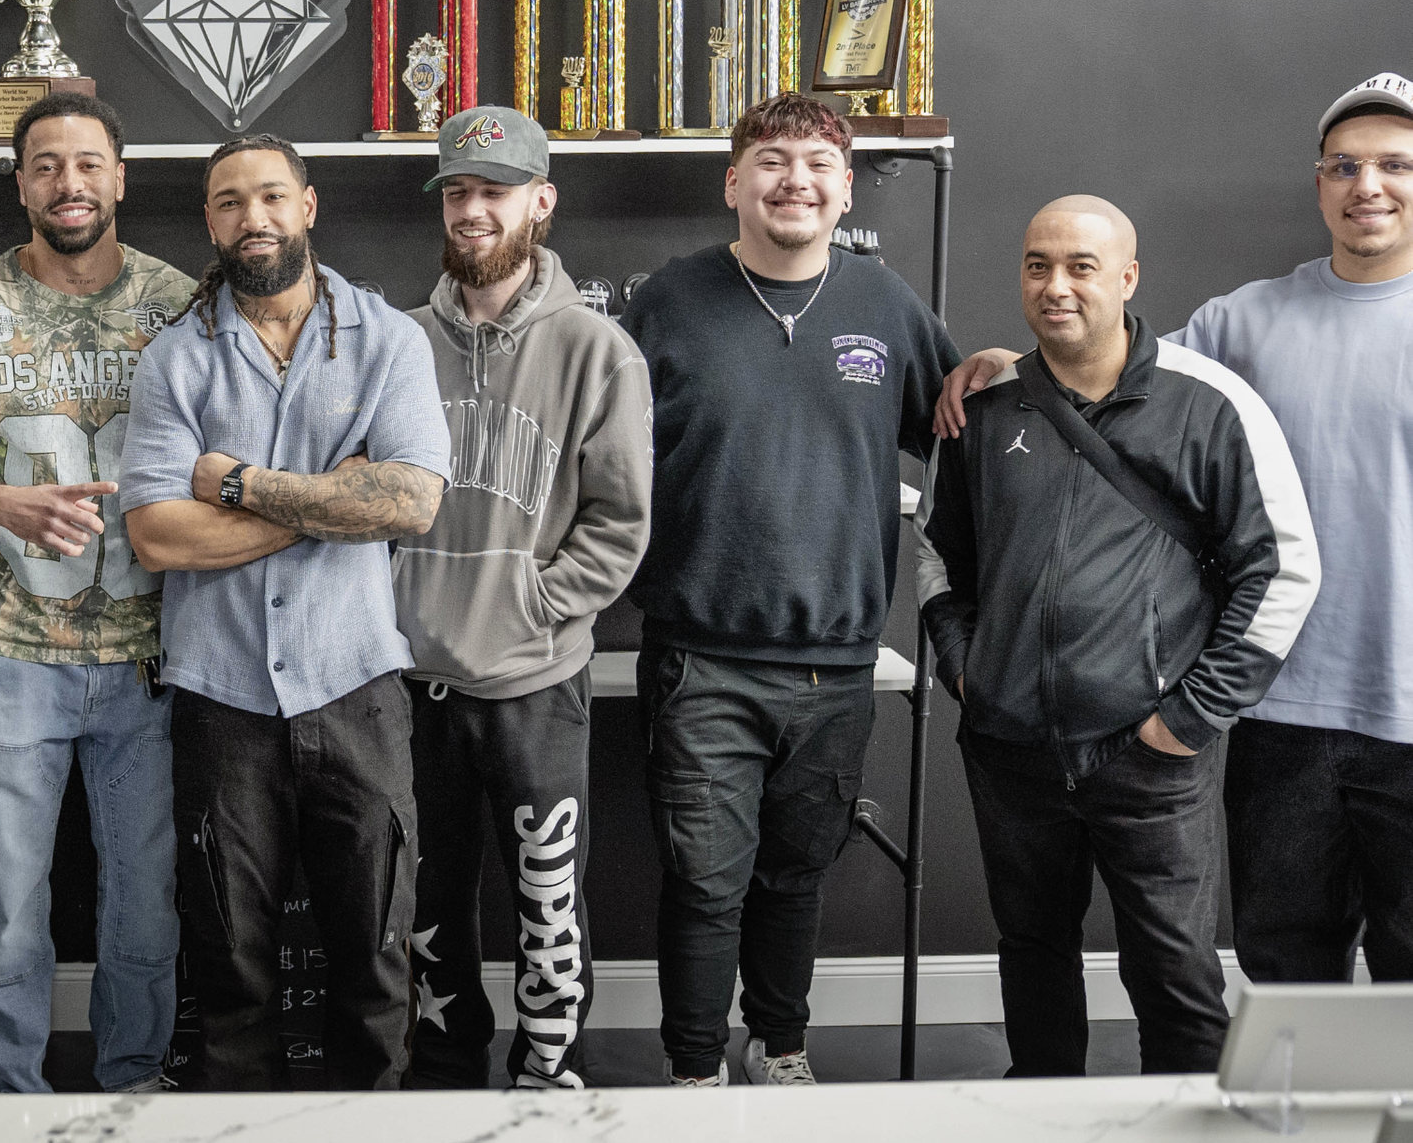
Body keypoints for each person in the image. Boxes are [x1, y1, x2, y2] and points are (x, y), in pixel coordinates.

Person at [939, 73, 1413, 984]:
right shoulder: (1242, 323)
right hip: (1280, 712)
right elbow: (1107, 375)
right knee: (1286, 965)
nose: (1368, 185)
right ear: (1319, 181)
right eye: (1346, 165)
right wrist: (1009, 364)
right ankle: (1293, 1134)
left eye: (1394, 164)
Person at [918, 195, 1318, 1074]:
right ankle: (1040, 1110)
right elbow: (940, 557)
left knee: (1174, 974)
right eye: (1037, 265)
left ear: (1129, 277)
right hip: (1010, 748)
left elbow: (1284, 568)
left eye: (1080, 266)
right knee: (1031, 955)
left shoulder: (1211, 404)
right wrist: (967, 672)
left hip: (1150, 756)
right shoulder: (987, 408)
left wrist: (1185, 719)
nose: (1055, 286)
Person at [619, 95, 957, 1087]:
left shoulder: (884, 302)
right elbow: (597, 449)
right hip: (701, 657)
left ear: (845, 186)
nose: (794, 179)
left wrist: (986, 370)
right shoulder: (669, 300)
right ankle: (691, 1074)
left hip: (836, 664)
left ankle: (781, 1052)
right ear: (734, 182)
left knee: (793, 876)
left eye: (817, 162)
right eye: (770, 160)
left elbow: (958, 424)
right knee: (704, 881)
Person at [118, 134, 450, 1091]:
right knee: (229, 971)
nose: (251, 217)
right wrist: (323, 505)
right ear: (210, 224)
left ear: (309, 205)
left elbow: (412, 503)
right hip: (219, 703)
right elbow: (158, 538)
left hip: (359, 693)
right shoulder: (176, 360)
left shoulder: (389, 339)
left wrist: (244, 485)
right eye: (229, 202)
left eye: (270, 196)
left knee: (378, 965)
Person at [0, 91, 191, 1093]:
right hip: (12, 648)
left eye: (87, 162)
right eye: (46, 165)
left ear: (120, 174)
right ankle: (9, 1095)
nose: (69, 183)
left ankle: (134, 1080)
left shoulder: (179, 303)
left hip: (151, 654)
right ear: (18, 182)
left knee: (145, 898)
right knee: (8, 898)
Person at [387, 107, 654, 1090]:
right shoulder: (396, 341)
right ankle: (446, 1072)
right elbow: (364, 497)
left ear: (540, 201)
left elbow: (620, 523)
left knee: (548, 903)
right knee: (425, 903)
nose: (471, 209)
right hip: (412, 680)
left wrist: (537, 605)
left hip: (538, 680)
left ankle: (551, 1070)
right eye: (456, 191)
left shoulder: (594, 349)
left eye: (493, 191)